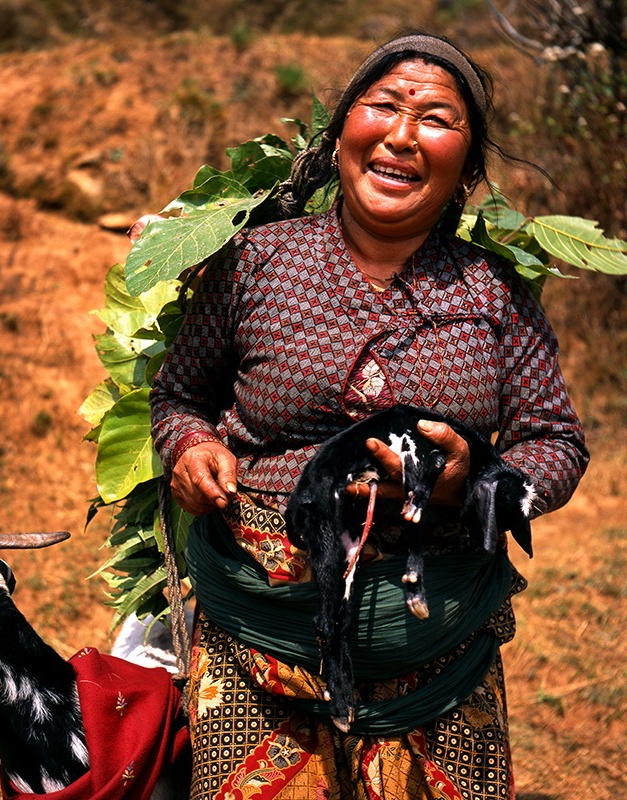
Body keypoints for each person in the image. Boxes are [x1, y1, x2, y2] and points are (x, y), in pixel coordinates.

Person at [148, 32, 588, 800]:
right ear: (342, 130)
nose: (402, 134)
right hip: (258, 648)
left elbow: (555, 442)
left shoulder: (491, 293)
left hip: (441, 656)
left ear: (468, 165)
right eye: (383, 105)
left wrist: (473, 484)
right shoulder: (256, 262)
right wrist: (188, 448)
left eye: (437, 118)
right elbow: (180, 395)